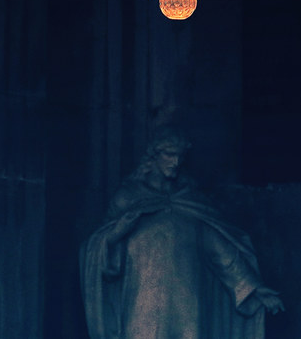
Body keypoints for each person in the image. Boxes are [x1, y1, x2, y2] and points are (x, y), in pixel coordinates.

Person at [81, 128, 283, 339]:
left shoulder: (191, 201)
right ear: (153, 156)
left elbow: (221, 251)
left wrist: (252, 287)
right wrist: (117, 232)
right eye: (169, 154)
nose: (175, 162)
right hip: (143, 301)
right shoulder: (128, 198)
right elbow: (98, 252)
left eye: (180, 156)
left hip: (187, 300)